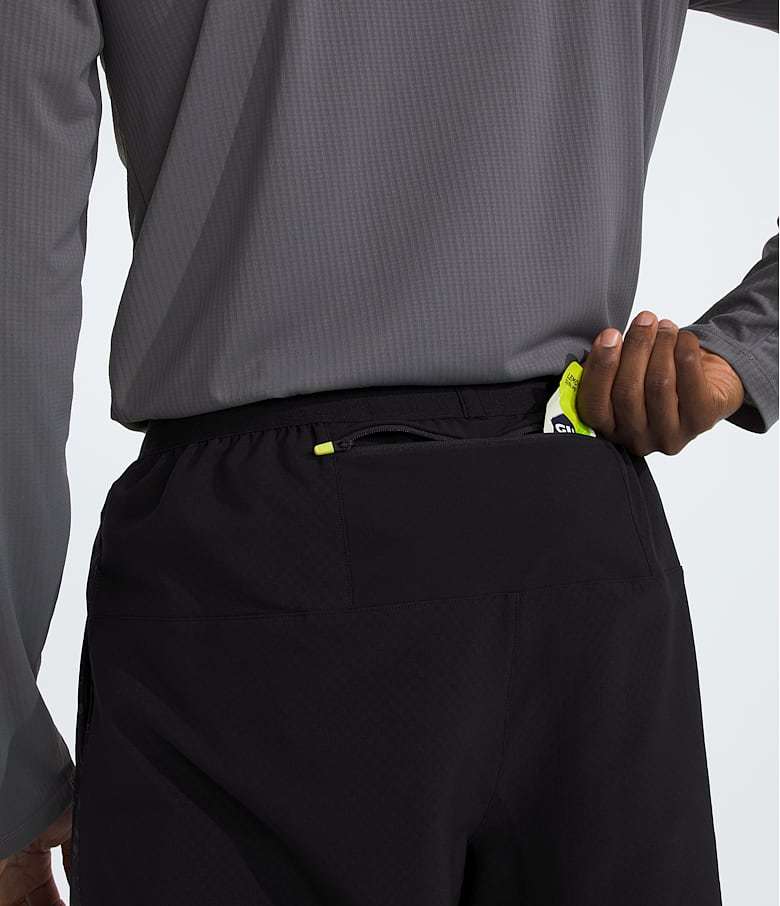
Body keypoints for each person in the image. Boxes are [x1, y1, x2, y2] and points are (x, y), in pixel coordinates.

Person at [0, 1, 776, 904]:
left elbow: (14, 301)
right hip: (578, 555)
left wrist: (7, 778)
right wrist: (747, 349)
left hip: (247, 592)